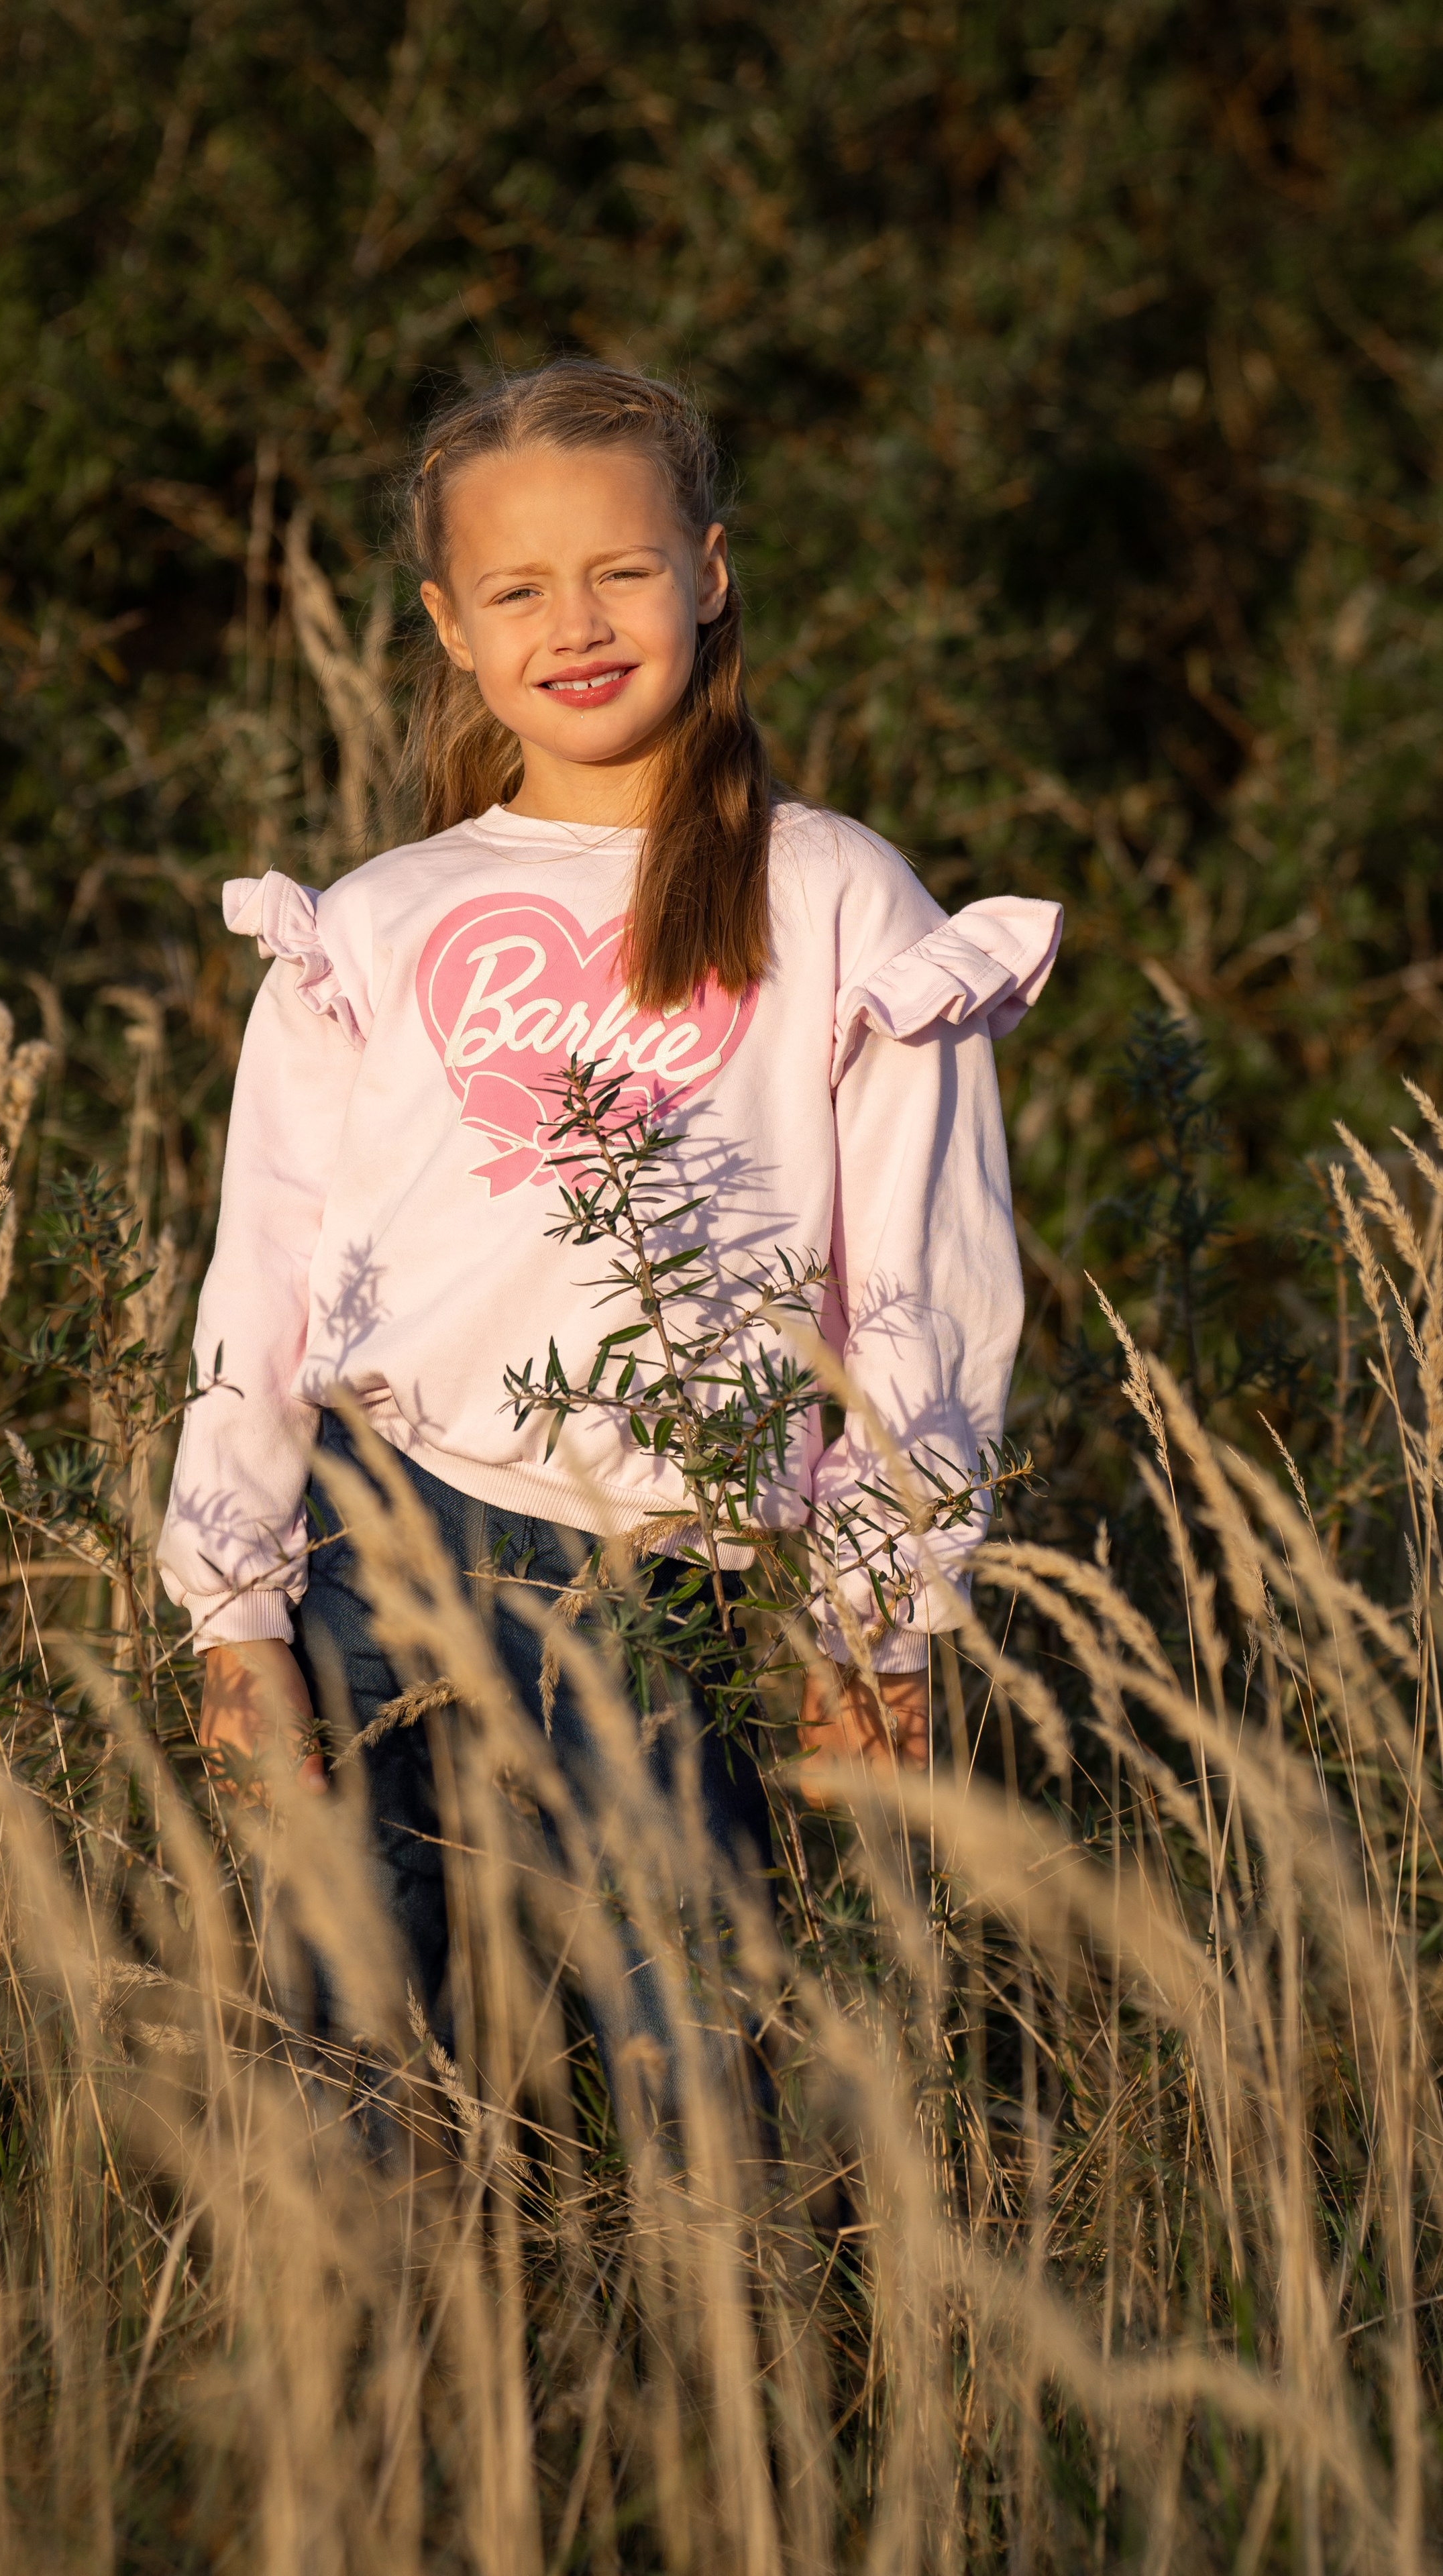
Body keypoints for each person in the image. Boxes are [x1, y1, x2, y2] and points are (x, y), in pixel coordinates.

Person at [156, 358, 1060, 2052]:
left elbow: (919, 1284)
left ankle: (733, 2319)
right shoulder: (379, 917)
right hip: (377, 1519)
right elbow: (268, 1264)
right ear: (448, 624)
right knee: (356, 2022)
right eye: (515, 588)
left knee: (688, 2026)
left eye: (620, 570)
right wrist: (235, 1607)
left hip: (667, 1551)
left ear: (707, 574)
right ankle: (382, 2317)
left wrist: (879, 1608)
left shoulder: (828, 891)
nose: (572, 623)